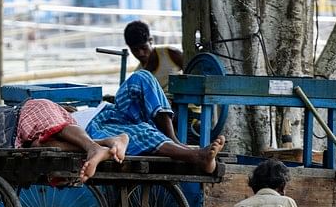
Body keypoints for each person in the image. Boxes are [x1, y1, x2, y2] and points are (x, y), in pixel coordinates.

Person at [0, 98, 129, 182]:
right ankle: (108, 143)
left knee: (52, 129)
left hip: (26, 113)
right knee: (41, 144)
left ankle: (93, 148)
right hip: (23, 139)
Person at [75, 70, 224, 173]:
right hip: (91, 129)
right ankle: (196, 157)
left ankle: (173, 140)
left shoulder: (59, 110)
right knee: (139, 132)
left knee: (141, 77)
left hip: (108, 110)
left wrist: (69, 109)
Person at [124, 20, 183, 96]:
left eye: (144, 48)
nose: (141, 53)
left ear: (150, 41)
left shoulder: (171, 54)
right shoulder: (139, 74)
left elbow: (193, 72)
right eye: (135, 50)